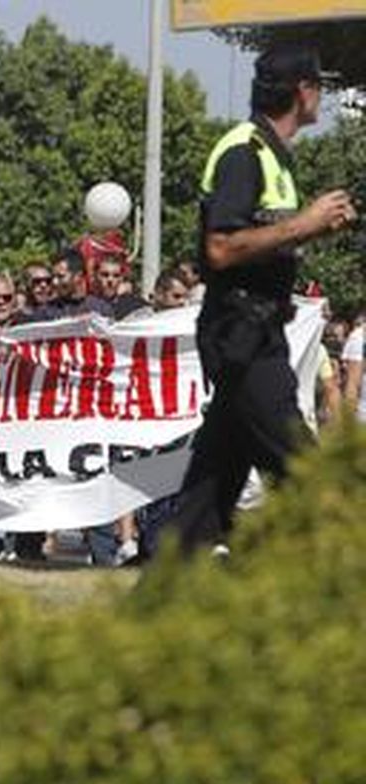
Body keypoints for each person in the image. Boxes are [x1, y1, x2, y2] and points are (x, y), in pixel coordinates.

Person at [168, 45, 356, 555]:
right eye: (318, 85)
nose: (321, 95)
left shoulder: (275, 154)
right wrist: (304, 224)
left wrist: (311, 231)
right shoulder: (244, 151)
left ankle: (165, 583)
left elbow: (261, 240)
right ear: (302, 91)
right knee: (304, 468)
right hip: (240, 334)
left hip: (258, 330)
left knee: (211, 490)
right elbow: (220, 248)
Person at [92, 254, 149, 318]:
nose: (110, 280)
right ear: (97, 276)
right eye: (105, 275)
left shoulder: (133, 302)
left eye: (116, 276)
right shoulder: (90, 303)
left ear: (122, 278)